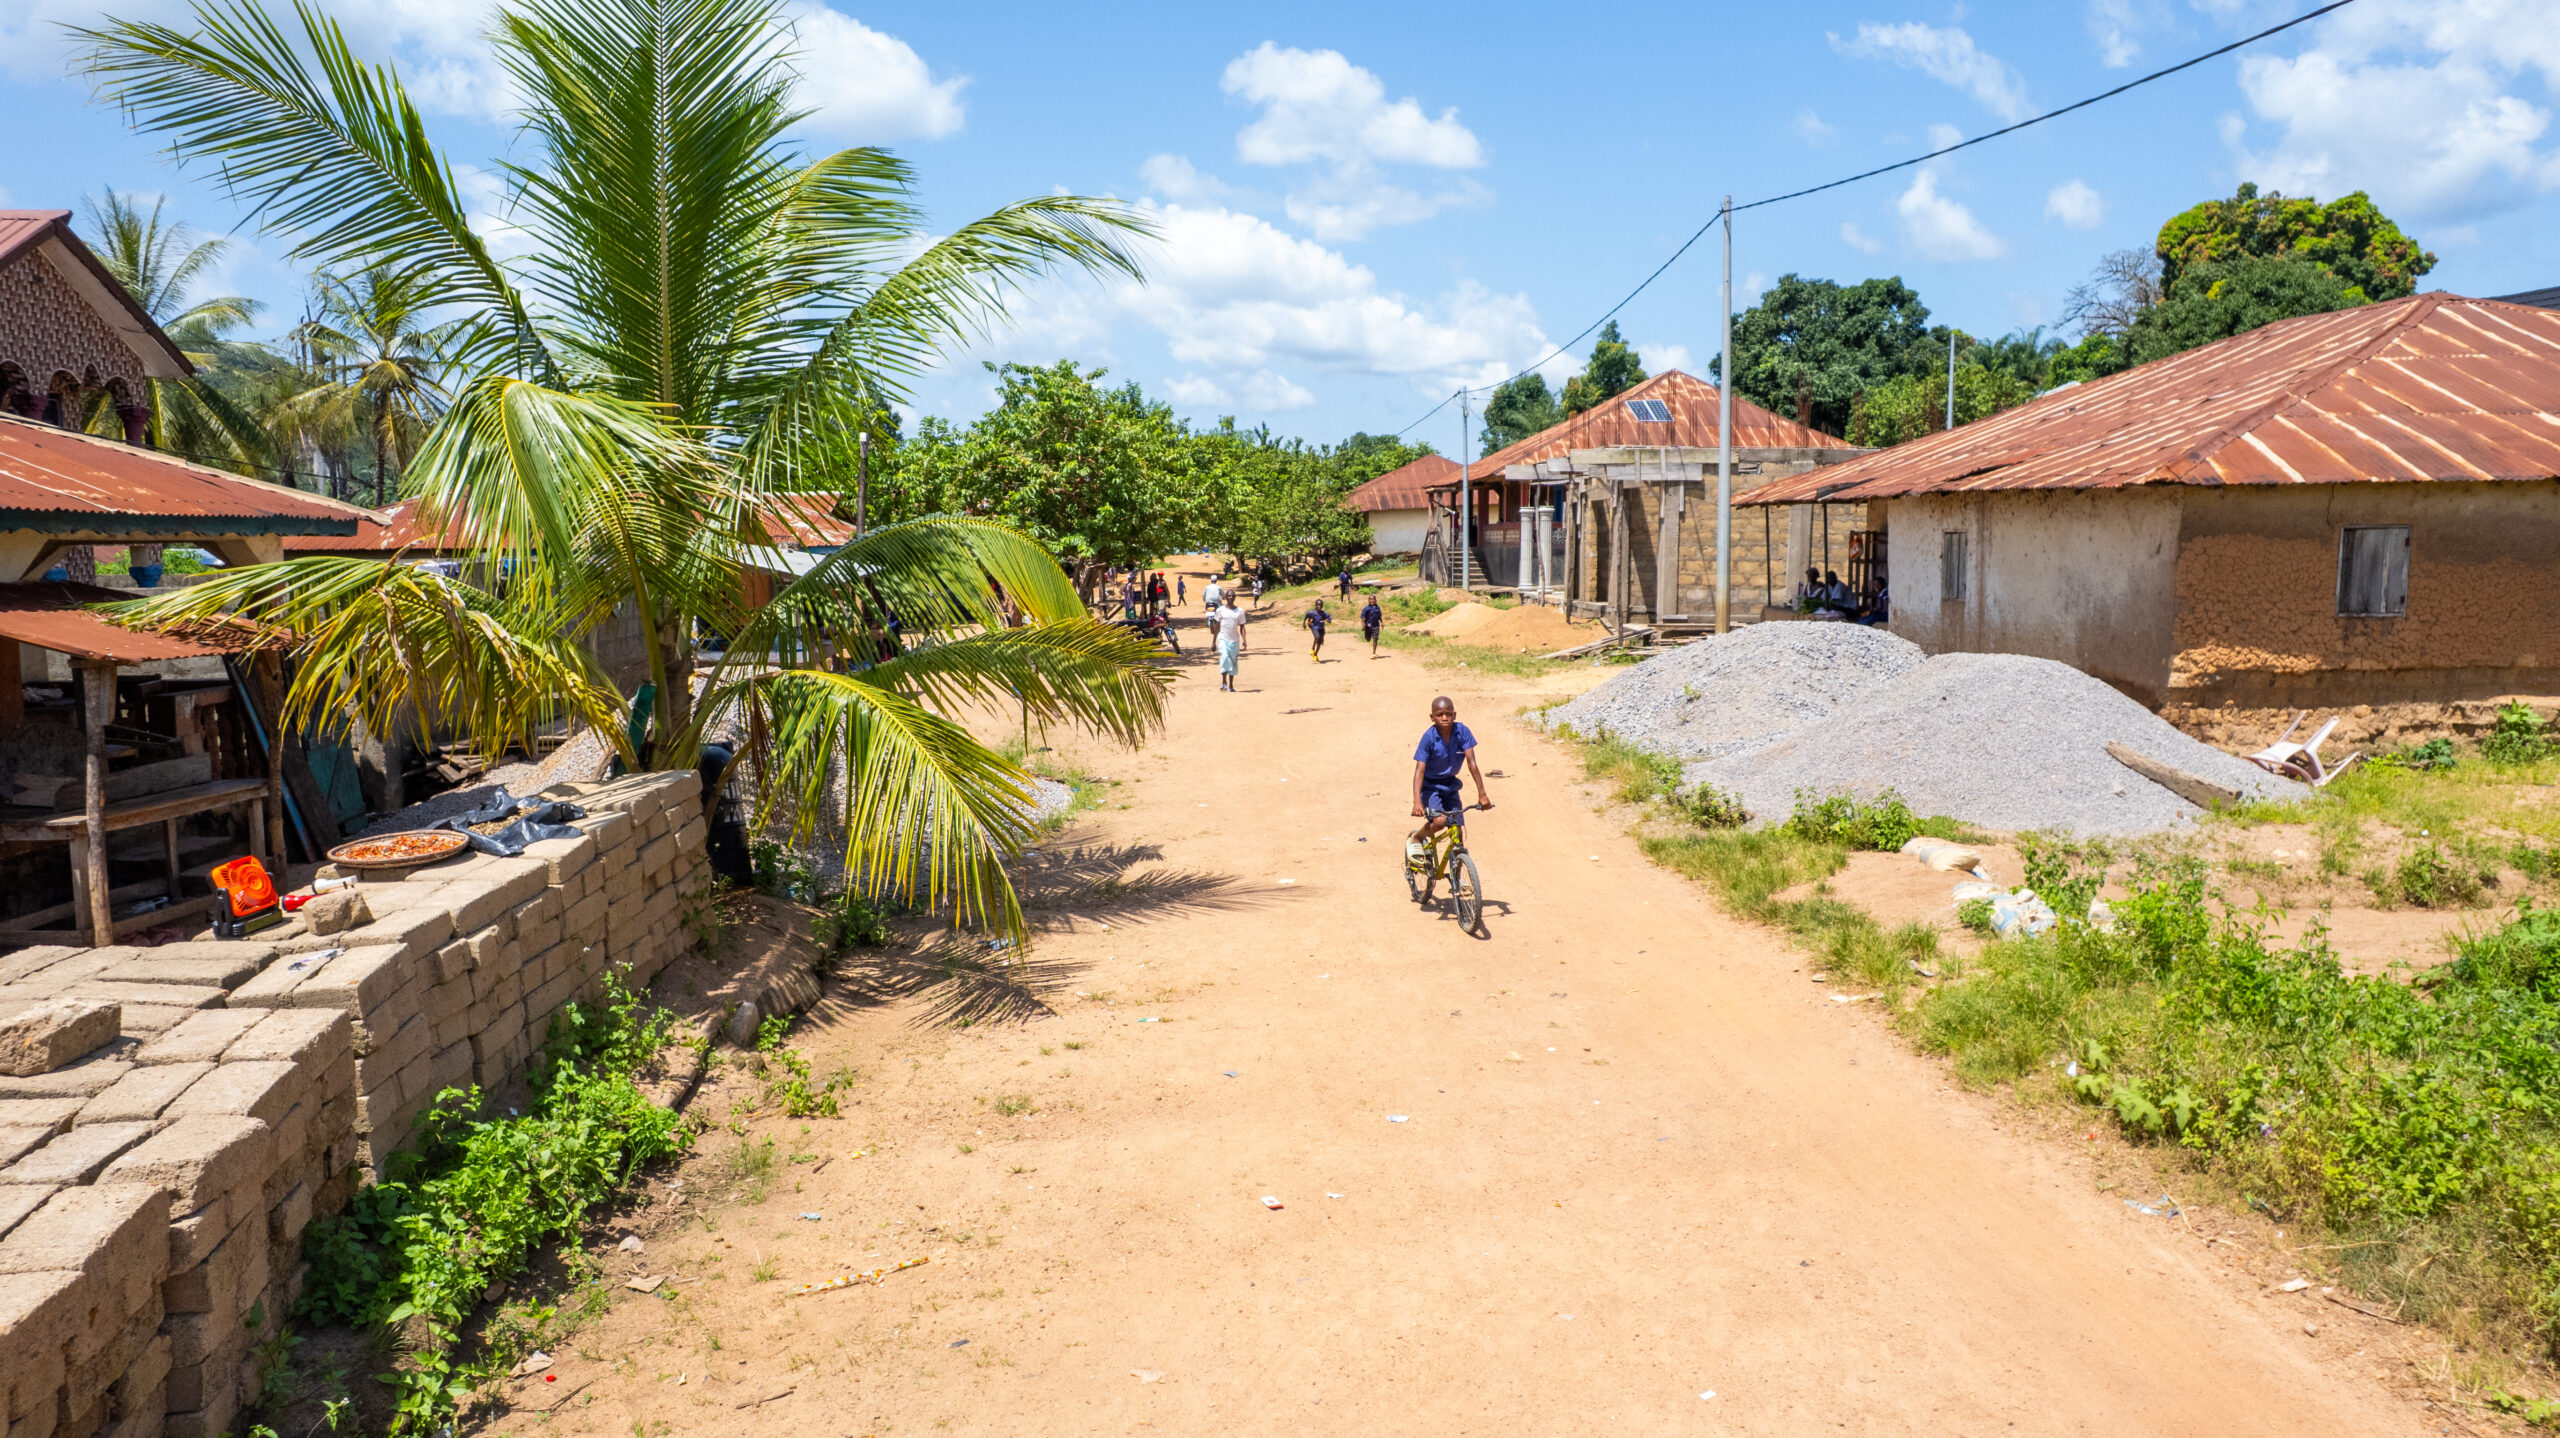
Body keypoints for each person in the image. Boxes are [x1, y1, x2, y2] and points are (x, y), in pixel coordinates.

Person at [1407, 695, 1491, 882]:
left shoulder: (1462, 732)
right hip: (1430, 786)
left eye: (1448, 714)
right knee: (1439, 822)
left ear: (1454, 715)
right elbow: (1419, 771)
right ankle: (1418, 838)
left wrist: (1482, 795)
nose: (1444, 718)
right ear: (1432, 717)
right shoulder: (1429, 738)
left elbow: (1472, 764)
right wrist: (1417, 801)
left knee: (1457, 828)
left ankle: (1457, 872)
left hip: (1450, 784)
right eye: (1439, 714)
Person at [1212, 593, 1248, 691]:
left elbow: (1242, 626)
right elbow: (1217, 626)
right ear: (1226, 597)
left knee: (1233, 661)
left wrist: (1244, 640)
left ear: (1235, 597)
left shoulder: (1239, 611)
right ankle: (1224, 682)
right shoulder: (1220, 610)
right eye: (1229, 596)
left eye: (1232, 596)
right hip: (1223, 638)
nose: (1231, 597)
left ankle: (1231, 685)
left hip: (1234, 640)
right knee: (1224, 657)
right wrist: (1213, 642)